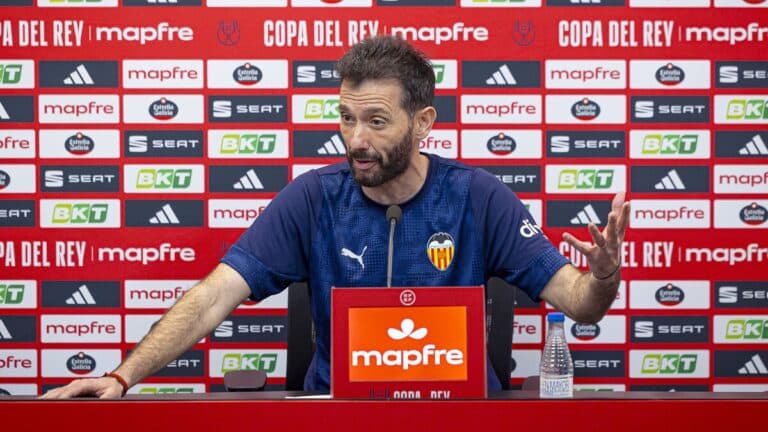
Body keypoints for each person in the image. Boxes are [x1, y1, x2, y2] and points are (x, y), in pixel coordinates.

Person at [42, 35, 629, 398]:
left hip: (461, 415)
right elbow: (212, 297)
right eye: (346, 118)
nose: (355, 139)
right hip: (338, 415)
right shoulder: (312, 197)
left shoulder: (478, 195)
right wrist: (122, 377)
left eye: (375, 121)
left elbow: (581, 304)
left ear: (422, 124)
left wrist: (603, 277)